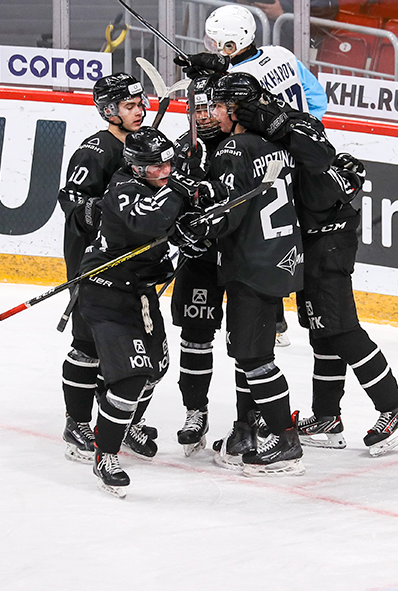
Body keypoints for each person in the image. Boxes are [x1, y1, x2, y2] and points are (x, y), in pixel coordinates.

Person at [185, 72, 335, 477]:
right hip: (279, 259)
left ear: (237, 110)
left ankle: (285, 441)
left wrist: (195, 224)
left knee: (254, 357)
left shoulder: (232, 148)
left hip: (251, 263)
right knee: (250, 351)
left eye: (220, 106)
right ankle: (247, 431)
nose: (214, 113)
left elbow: (226, 216)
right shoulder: (278, 143)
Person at [75, 127, 199, 497]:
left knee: (155, 369)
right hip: (107, 294)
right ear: (135, 166)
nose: (165, 171)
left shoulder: (162, 184)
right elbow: (148, 221)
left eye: (168, 163)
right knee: (131, 377)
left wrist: (193, 232)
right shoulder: (123, 188)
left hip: (140, 293)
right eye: (155, 166)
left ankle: (126, 423)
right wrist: (180, 191)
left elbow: (179, 224)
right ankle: (106, 455)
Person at [292, 152, 398, 456]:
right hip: (313, 269)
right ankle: (326, 417)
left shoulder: (335, 207)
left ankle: (395, 407)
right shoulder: (325, 200)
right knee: (323, 339)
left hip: (327, 270)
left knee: (345, 335)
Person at [57, 72, 148, 464]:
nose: (139, 111)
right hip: (91, 263)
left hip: (129, 263)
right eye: (129, 106)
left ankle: (123, 421)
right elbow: (72, 200)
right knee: (87, 344)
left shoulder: (140, 145)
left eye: (140, 103)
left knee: (133, 346)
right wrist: (102, 210)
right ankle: (77, 422)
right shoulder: (96, 150)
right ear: (110, 111)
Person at [169, 73, 231, 456]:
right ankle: (196, 411)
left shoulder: (242, 142)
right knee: (195, 336)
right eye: (198, 108)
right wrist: (181, 233)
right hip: (200, 259)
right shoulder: (181, 148)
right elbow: (166, 202)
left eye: (211, 107)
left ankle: (251, 417)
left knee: (248, 344)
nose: (204, 115)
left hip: (241, 258)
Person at [202, 4, 328, 118]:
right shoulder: (280, 53)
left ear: (231, 43)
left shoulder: (235, 79)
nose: (213, 45)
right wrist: (306, 129)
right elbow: (317, 98)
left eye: (214, 40)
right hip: (303, 133)